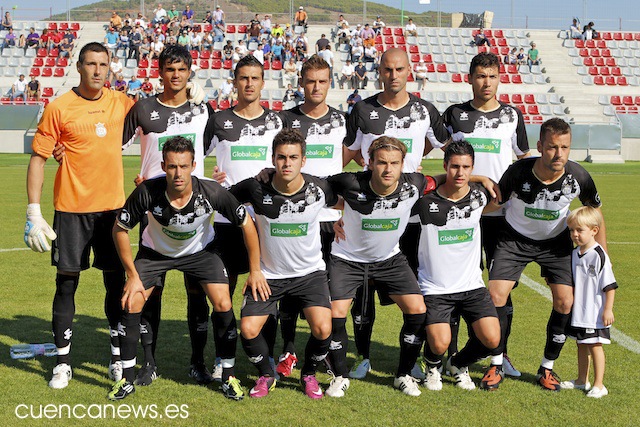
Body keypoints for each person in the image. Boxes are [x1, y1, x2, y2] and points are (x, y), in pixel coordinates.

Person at [108, 136, 265, 400]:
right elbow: (119, 229)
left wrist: (255, 269)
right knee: (131, 301)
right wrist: (132, 275)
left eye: (183, 166)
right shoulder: (147, 191)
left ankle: (228, 376)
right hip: (155, 253)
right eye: (171, 167)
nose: (178, 173)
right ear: (163, 166)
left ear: (193, 165)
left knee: (223, 302)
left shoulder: (211, 192)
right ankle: (126, 378)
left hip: (200, 253)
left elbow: (247, 223)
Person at [25, 42, 134, 389]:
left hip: (112, 210)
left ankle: (117, 358)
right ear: (78, 66)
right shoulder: (59, 107)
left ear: (110, 67)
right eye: (91, 64)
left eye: (103, 64)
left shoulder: (122, 102)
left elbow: (155, 125)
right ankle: (62, 363)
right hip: (71, 209)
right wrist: (33, 210)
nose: (98, 70)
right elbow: (39, 159)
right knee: (67, 283)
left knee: (115, 283)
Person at [342, 48, 448, 381]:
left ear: (409, 71)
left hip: (411, 217)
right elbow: (343, 156)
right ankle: (362, 355)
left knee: (414, 289)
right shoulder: (362, 109)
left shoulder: (425, 110)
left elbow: (443, 148)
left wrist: (413, 165)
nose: (393, 75)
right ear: (380, 72)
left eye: (399, 69)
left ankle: (411, 357)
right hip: (368, 218)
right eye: (387, 69)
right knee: (363, 292)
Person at [486, 118, 606, 391]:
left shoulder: (578, 176)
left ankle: (547, 367)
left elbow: (595, 211)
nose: (559, 154)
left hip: (555, 244)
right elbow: (497, 202)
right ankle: (496, 362)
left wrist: (602, 253)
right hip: (514, 240)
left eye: (565, 147)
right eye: (552, 147)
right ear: (540, 146)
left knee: (565, 302)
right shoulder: (518, 171)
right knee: (495, 295)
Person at [438, 52, 530, 381]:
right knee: (455, 283)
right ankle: (448, 354)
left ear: (499, 78)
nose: (486, 82)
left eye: (491, 76)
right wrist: (478, 180)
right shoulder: (455, 115)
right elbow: (447, 164)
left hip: (502, 217)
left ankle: (499, 353)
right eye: (480, 76)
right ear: (470, 78)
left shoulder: (512, 115)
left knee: (500, 289)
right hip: (460, 213)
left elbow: (524, 160)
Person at [326, 136, 436, 398]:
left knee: (417, 309)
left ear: (402, 164)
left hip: (389, 259)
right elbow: (313, 189)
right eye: (382, 163)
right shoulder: (349, 181)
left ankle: (403, 375)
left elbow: (442, 180)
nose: (388, 169)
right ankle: (339, 376)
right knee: (335, 312)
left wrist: (480, 179)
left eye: (394, 163)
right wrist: (337, 215)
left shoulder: (415, 183)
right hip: (347, 259)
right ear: (370, 163)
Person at [232, 129, 336, 399]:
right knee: (248, 329)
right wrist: (254, 270)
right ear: (272, 159)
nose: (287, 163)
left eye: (293, 157)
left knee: (324, 327)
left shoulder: (320, 188)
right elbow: (222, 199)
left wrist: (344, 219)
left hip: (309, 274)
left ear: (303, 160)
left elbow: (354, 199)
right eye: (281, 157)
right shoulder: (255, 188)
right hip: (268, 274)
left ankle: (309, 373)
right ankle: (267, 374)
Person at [205, 55, 284, 380]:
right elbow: (195, 158)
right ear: (235, 82)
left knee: (267, 294)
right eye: (243, 78)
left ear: (262, 82)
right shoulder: (220, 120)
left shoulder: (278, 123)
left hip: (265, 224)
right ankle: (223, 360)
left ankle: (262, 363)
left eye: (255, 78)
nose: (249, 83)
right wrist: (212, 180)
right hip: (225, 223)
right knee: (222, 296)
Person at [274, 55, 348, 378]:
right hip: (292, 216)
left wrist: (342, 199)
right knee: (290, 285)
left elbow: (349, 157)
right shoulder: (285, 119)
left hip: (331, 218)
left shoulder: (344, 121)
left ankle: (325, 350)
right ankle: (288, 348)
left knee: (328, 288)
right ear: (301, 83)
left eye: (322, 81)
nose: (316, 87)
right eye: (310, 81)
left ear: (330, 83)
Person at [415, 140, 502, 392]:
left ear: (472, 167)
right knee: (440, 343)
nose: (460, 173)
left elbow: (499, 200)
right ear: (445, 166)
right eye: (454, 167)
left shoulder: (479, 197)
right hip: (435, 287)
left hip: (471, 285)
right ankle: (433, 366)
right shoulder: (423, 201)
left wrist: (483, 179)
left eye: (466, 167)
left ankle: (458, 364)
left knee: (492, 339)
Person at [561, 206, 617, 399]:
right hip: (580, 312)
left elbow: (609, 286)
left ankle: (599, 385)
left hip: (594, 313)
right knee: (581, 344)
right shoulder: (576, 253)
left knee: (595, 346)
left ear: (594, 230)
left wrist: (607, 310)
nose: (574, 234)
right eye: (571, 230)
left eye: (579, 230)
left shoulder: (599, 255)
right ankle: (580, 380)